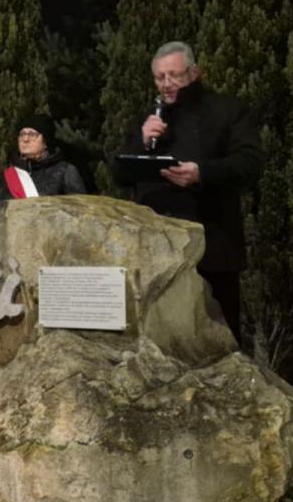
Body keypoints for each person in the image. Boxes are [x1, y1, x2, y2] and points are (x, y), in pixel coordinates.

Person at [112, 41, 263, 341]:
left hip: (212, 248)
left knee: (217, 340)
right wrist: (142, 142)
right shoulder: (149, 120)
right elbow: (119, 173)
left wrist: (202, 173)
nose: (166, 84)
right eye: (159, 77)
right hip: (157, 251)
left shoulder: (228, 111)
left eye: (174, 75)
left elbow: (250, 163)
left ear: (194, 73)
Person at [0, 114, 86, 198]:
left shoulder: (64, 171)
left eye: (32, 134)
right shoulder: (10, 174)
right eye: (22, 134)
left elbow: (79, 207)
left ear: (45, 142)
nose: (25, 139)